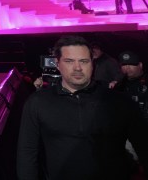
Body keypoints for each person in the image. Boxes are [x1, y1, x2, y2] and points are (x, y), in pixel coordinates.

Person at [17, 35, 148, 180]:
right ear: (57, 63)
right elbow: (27, 153)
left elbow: (144, 146)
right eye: (69, 61)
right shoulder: (37, 102)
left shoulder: (120, 102)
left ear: (92, 63)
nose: (77, 68)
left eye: (83, 61)